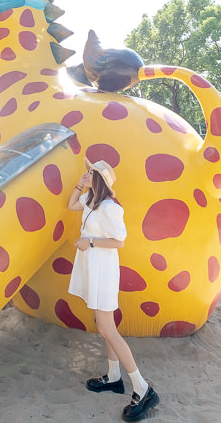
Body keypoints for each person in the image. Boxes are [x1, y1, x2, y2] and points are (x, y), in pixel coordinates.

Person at [67, 158, 160, 421]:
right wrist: (80, 184)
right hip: (93, 270)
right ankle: (114, 377)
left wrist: (91, 242)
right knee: (103, 325)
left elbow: (119, 241)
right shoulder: (90, 201)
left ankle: (143, 389)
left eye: (90, 173)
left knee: (108, 329)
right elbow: (71, 204)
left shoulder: (109, 207)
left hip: (104, 273)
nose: (86, 174)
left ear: (99, 178)